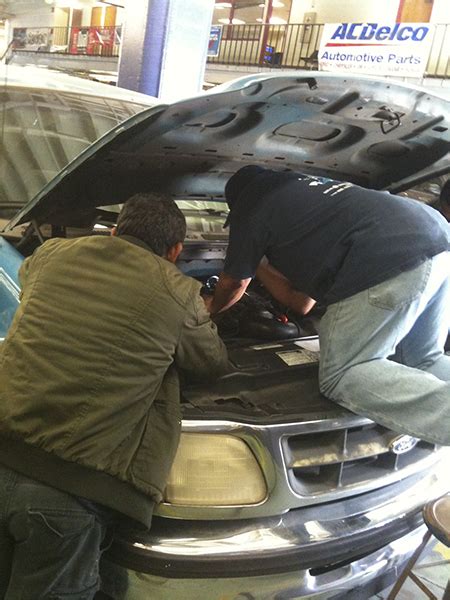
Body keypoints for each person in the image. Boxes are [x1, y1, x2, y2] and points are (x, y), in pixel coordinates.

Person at [0, 192, 229, 599]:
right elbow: (210, 362)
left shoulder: (51, 253)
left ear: (116, 230)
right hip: (67, 488)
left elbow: (31, 278)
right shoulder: (178, 291)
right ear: (175, 250)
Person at [210, 165, 450, 445]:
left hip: (388, 256)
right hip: (438, 244)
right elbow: (301, 304)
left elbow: (233, 284)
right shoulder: (309, 200)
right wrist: (257, 262)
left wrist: (208, 310)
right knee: (422, 359)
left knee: (345, 373)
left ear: (234, 201)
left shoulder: (251, 203)